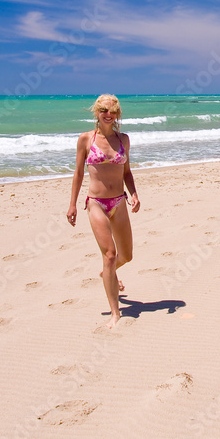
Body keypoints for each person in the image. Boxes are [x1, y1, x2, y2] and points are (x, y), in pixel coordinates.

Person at [67, 94, 140, 329]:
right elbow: (78, 173)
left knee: (126, 256)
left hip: (119, 201)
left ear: (117, 114)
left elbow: (127, 171)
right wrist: (72, 205)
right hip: (96, 203)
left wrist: (134, 194)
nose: (108, 115)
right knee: (109, 254)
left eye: (112, 111)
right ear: (96, 112)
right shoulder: (85, 140)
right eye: (103, 110)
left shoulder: (124, 140)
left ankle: (106, 274)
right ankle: (115, 312)